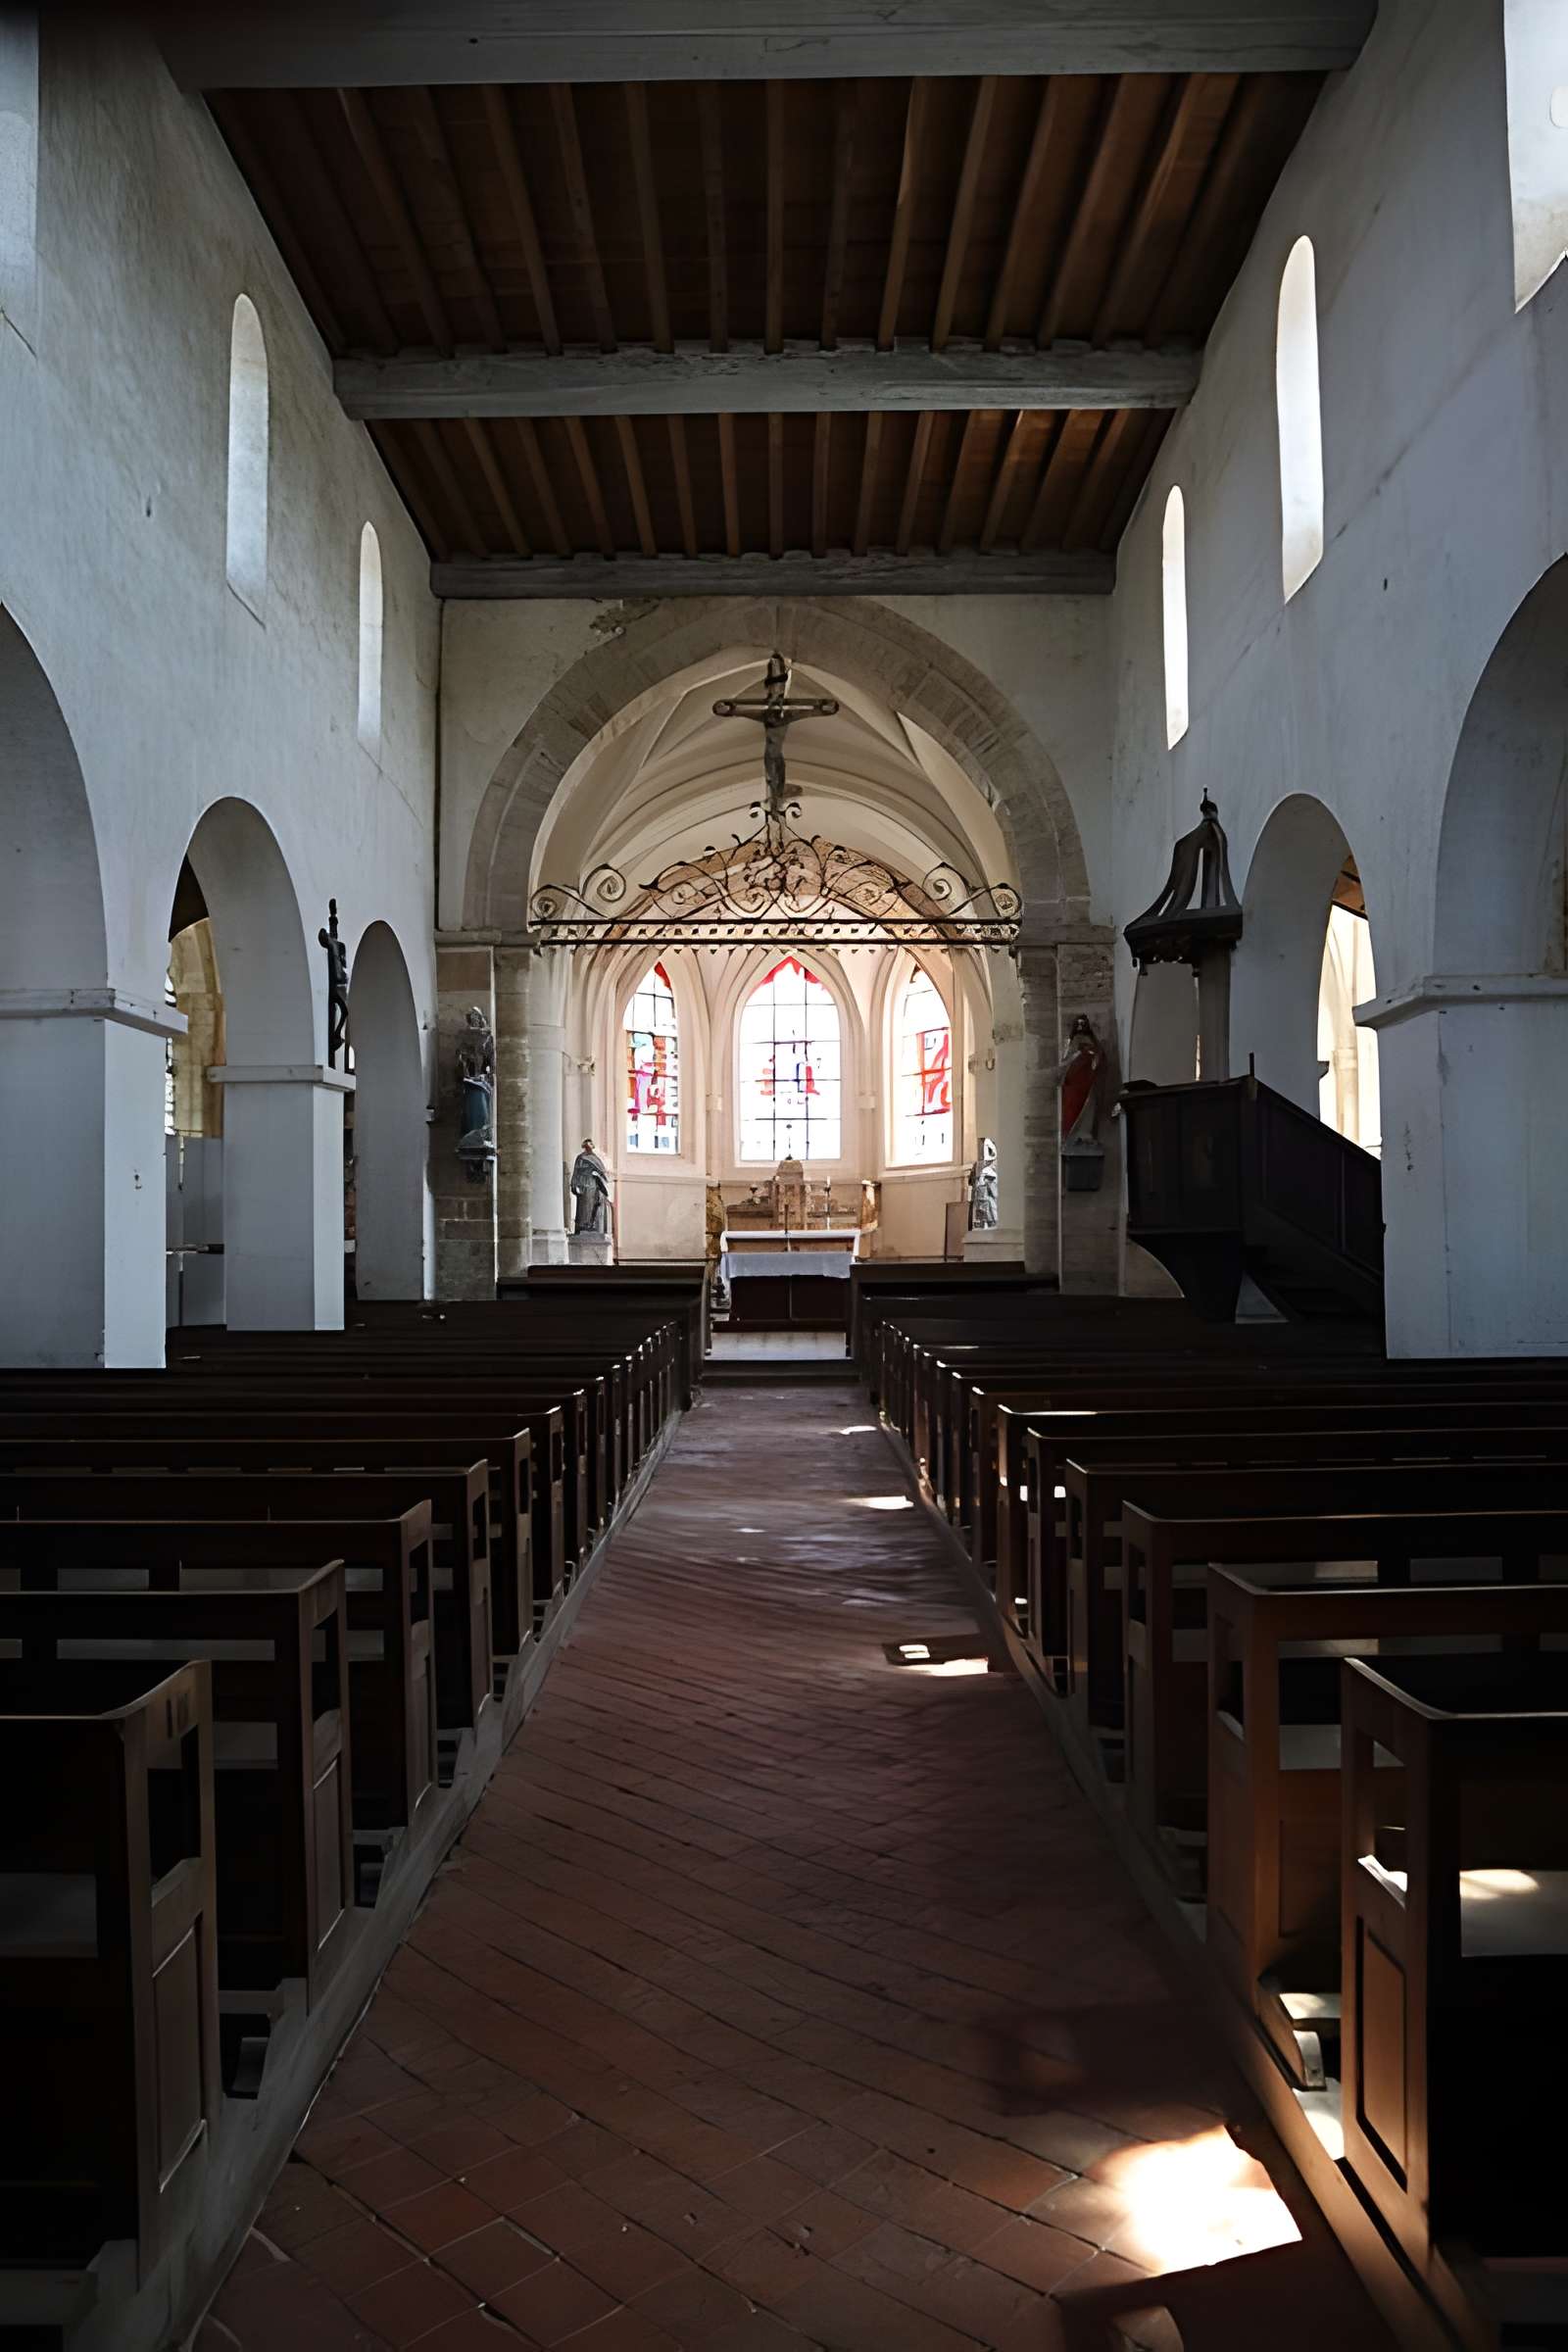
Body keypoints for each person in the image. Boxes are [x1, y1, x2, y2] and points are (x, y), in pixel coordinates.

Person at [569, 1138, 612, 1237]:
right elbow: (576, 1172)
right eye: (587, 1145)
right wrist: (574, 1184)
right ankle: (582, 1226)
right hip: (583, 1185)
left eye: (590, 1145)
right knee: (583, 1207)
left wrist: (597, 1175)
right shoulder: (580, 1158)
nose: (589, 1147)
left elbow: (603, 1172)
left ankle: (589, 1224)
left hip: (593, 1185)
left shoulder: (595, 1158)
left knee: (592, 1205)